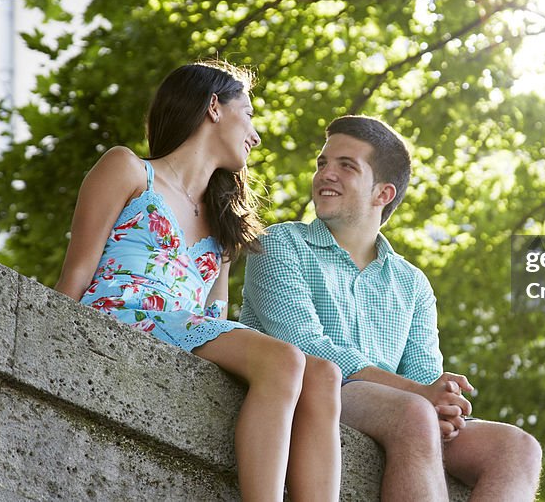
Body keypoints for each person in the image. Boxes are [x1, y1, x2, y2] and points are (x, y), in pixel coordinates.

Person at [55, 61, 341, 502]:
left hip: (185, 331)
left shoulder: (224, 223)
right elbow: (77, 269)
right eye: (248, 113)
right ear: (213, 107)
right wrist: (50, 339)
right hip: (124, 313)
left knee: (323, 373)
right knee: (285, 358)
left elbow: (214, 316)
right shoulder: (129, 170)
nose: (256, 133)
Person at [240, 115, 543, 501]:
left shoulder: (412, 283)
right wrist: (419, 395)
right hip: (311, 392)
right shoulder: (279, 244)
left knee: (518, 448)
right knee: (414, 412)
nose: (325, 174)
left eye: (345, 166)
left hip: (395, 410)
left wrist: (444, 405)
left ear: (382, 194)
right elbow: (304, 344)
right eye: (322, 163)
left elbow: (423, 376)